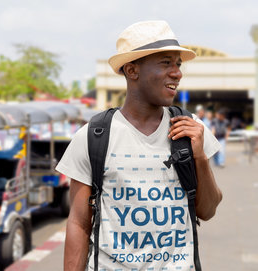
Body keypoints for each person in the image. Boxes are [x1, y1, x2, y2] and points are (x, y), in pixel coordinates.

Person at [56, 21, 223, 271]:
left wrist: (199, 158)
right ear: (132, 71)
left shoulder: (190, 130)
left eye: (178, 64)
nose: (177, 73)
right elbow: (79, 223)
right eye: (166, 63)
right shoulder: (93, 136)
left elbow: (207, 211)